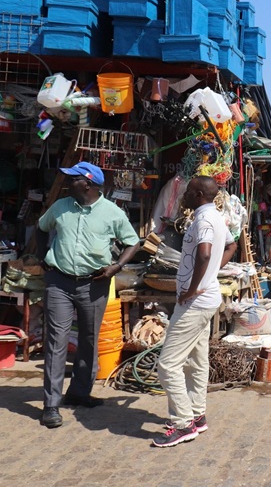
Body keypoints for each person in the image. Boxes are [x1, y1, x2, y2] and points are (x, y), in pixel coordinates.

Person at [36, 162, 141, 429]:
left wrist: (116, 267)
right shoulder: (60, 206)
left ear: (88, 184)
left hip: (94, 284)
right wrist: (41, 257)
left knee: (89, 339)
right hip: (59, 282)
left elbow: (133, 242)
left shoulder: (112, 213)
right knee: (56, 341)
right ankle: (51, 404)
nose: (67, 183)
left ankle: (80, 393)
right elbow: (41, 227)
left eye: (72, 179)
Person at [152, 176, 237, 448]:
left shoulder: (202, 219)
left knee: (168, 364)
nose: (184, 195)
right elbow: (232, 246)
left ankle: (183, 424)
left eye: (188, 191)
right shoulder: (217, 217)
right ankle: (197, 416)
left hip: (195, 303)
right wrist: (212, 273)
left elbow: (203, 254)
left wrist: (191, 288)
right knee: (197, 361)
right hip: (206, 299)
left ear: (199, 194)